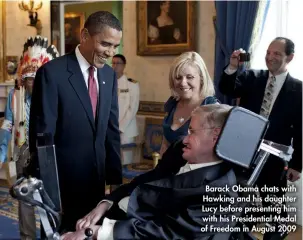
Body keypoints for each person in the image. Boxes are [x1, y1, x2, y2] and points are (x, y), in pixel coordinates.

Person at [63, 104, 239, 240]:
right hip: (120, 214)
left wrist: (96, 232)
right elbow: (148, 179)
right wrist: (106, 203)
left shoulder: (221, 192)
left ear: (215, 137)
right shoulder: (180, 150)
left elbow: (167, 233)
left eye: (192, 131)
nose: (185, 138)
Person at [28, 11, 123, 232]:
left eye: (115, 46)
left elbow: (111, 130)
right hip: (62, 188)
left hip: (97, 185)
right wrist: (49, 192)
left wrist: (115, 181)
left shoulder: (109, 76)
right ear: (84, 36)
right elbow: (43, 137)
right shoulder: (52, 73)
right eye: (105, 44)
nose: (110, 53)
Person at [219, 37, 302, 212]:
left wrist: (296, 165)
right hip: (241, 154)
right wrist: (233, 66)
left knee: (273, 210)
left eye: (277, 54)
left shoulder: (299, 90)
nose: (270, 57)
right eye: (268, 52)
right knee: (238, 205)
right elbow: (227, 89)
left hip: (274, 160)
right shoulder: (252, 77)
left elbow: (301, 130)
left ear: (290, 57)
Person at [0, 36, 59, 239]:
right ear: (23, 78)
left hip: (46, 151)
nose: (32, 82)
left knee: (48, 197)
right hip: (21, 151)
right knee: (24, 196)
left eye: (36, 77)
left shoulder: (51, 95)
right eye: (29, 78)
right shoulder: (14, 96)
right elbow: (8, 124)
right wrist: (1, 152)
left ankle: (49, 234)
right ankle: (27, 236)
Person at [160, 51, 218, 156]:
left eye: (189, 77)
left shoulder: (211, 107)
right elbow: (165, 145)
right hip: (168, 169)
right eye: (178, 77)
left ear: (201, 78)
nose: (183, 82)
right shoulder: (171, 103)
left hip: (194, 171)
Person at [112, 54, 139, 165]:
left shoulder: (132, 84)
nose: (115, 66)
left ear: (124, 66)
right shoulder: (108, 82)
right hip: (111, 128)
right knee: (112, 163)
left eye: (118, 63)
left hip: (126, 130)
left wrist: (120, 127)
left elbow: (133, 108)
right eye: (113, 63)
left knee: (126, 162)